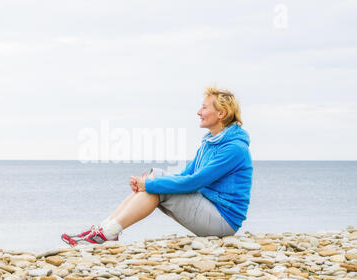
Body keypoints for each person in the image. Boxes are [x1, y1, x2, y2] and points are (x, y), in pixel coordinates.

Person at [61, 86, 253, 246]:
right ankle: (104, 229)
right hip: (209, 208)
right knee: (156, 176)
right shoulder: (210, 142)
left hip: (222, 222)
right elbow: (185, 174)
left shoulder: (233, 149)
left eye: (204, 108)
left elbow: (194, 182)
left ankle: (106, 233)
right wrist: (150, 182)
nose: (198, 112)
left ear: (221, 113)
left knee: (156, 187)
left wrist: (150, 186)